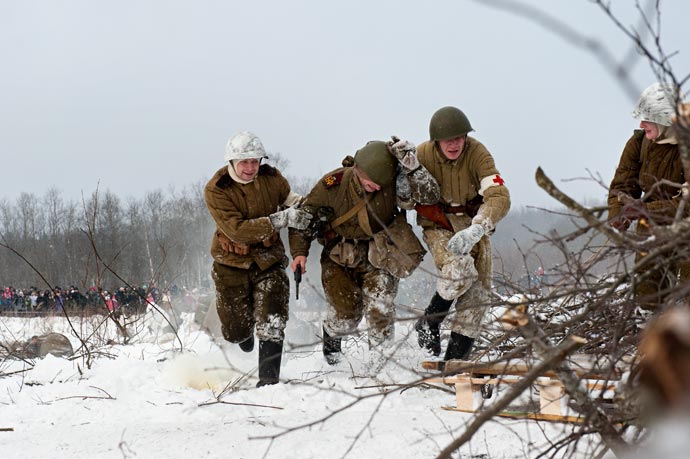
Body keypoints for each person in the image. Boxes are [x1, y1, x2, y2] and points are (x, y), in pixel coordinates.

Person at [289, 138, 440, 365]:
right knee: (346, 315)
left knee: (381, 308)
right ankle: (332, 337)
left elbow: (429, 197)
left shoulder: (394, 182)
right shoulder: (333, 184)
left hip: (379, 253)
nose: (378, 188)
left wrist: (413, 167)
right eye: (371, 184)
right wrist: (299, 253)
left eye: (381, 184)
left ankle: (382, 363)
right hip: (338, 256)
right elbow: (304, 217)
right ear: (358, 172)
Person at [204, 131, 312, 387]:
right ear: (232, 162)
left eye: (255, 161)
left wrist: (299, 251)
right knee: (235, 330)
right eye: (245, 162)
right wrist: (281, 219)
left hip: (269, 259)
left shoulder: (272, 179)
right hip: (231, 262)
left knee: (272, 319)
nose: (251, 168)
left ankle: (268, 381)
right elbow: (237, 230)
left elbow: (296, 209)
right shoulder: (217, 189)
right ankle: (243, 335)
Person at [413, 106, 511, 362]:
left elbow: (499, 194)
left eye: (459, 138)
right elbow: (401, 195)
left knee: (478, 296)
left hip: (473, 224)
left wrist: (479, 226)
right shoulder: (422, 154)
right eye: (448, 139)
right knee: (459, 269)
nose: (455, 144)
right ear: (437, 141)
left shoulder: (478, 153)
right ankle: (429, 321)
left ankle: (455, 363)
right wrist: (406, 173)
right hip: (439, 224)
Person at [607, 82, 689, 309]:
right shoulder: (638, 143)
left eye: (648, 118)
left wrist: (646, 210)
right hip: (651, 234)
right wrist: (618, 213)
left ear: (666, 119)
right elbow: (622, 186)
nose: (641, 124)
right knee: (648, 299)